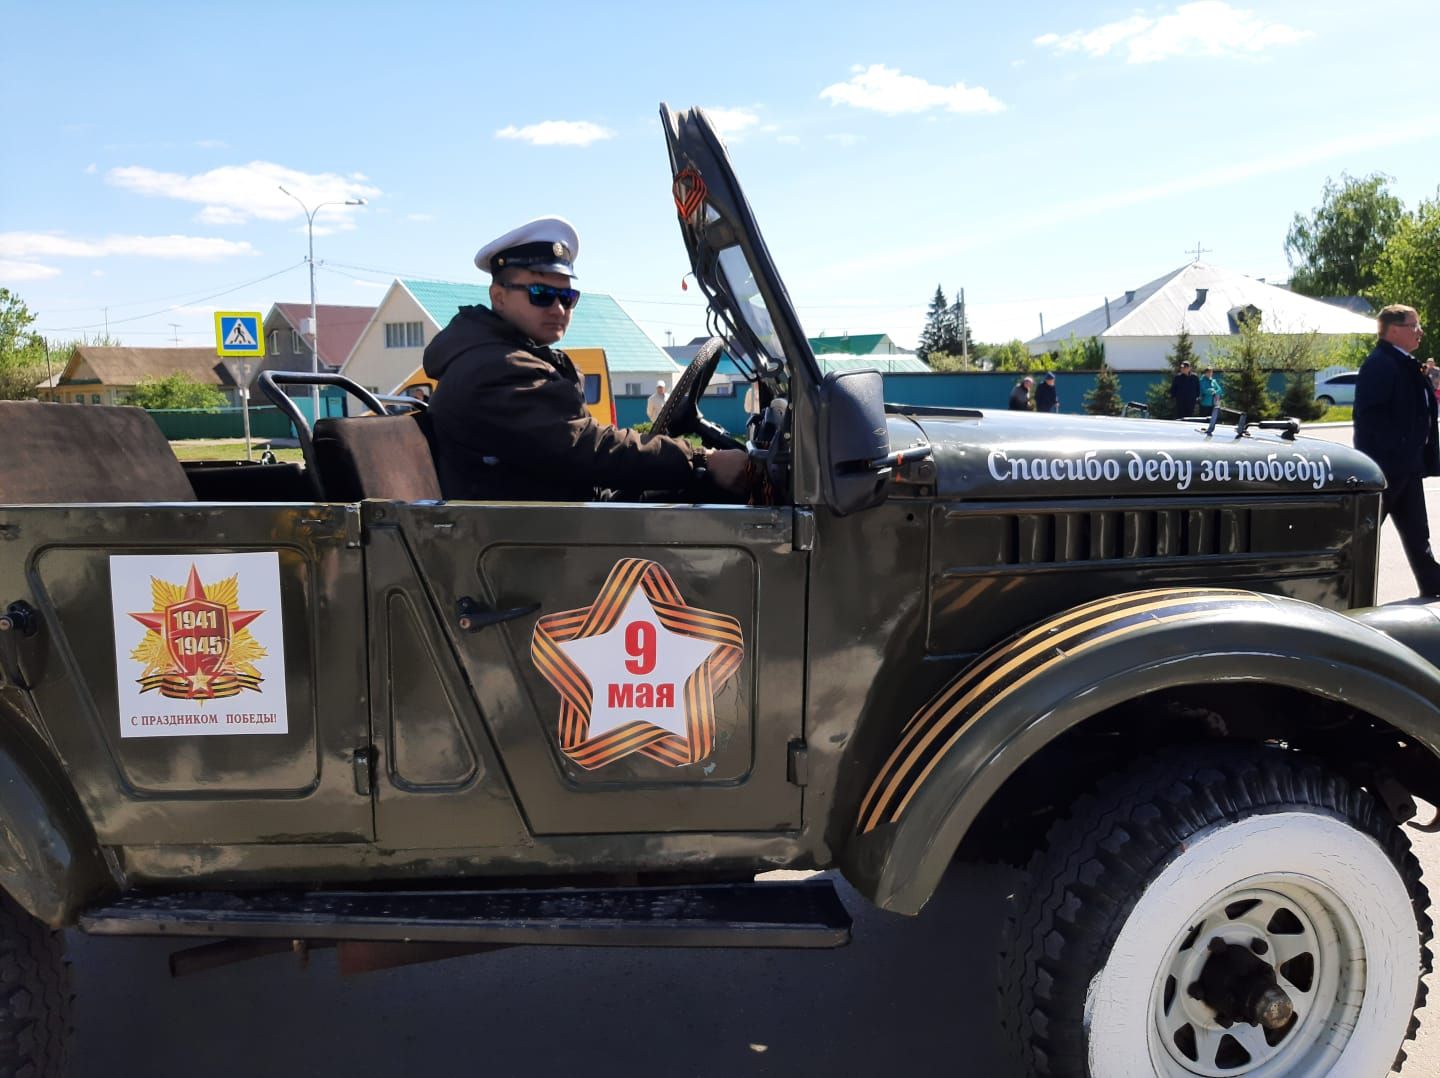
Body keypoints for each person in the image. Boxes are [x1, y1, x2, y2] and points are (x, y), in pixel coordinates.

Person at [422, 217, 748, 501]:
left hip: (555, 522)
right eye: (541, 294)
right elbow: (587, 448)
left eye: (568, 297)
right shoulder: (498, 368)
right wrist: (699, 460)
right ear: (499, 297)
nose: (559, 309)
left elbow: (579, 448)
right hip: (529, 547)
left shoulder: (509, 356)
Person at [1354, 304, 1440, 596]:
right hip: (1387, 469)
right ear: (1393, 330)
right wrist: (1396, 453)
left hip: (1407, 466)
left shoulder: (1403, 361)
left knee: (1418, 534)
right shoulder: (1381, 364)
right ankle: (1336, 589)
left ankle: (1433, 586)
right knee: (1360, 536)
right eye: (1413, 326)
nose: (1420, 331)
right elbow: (1370, 418)